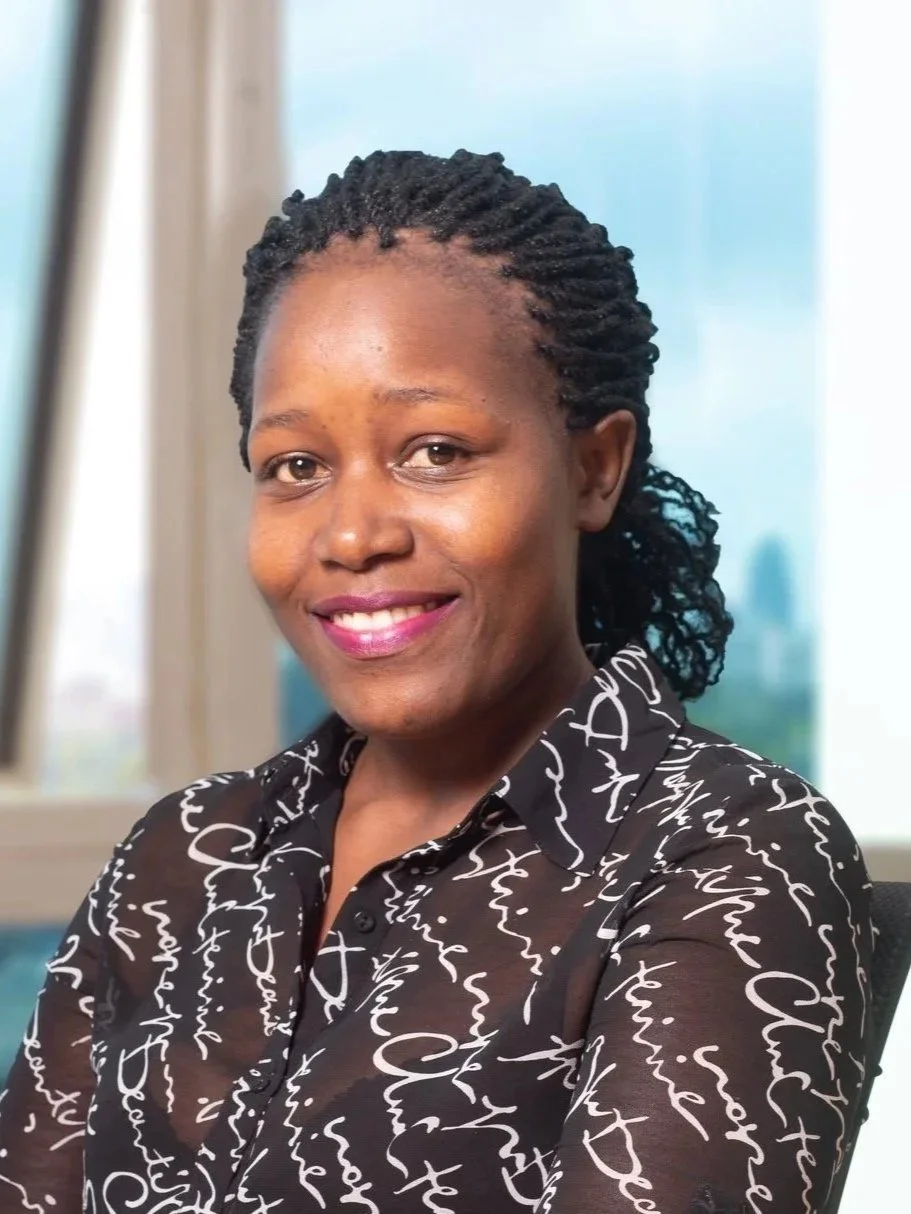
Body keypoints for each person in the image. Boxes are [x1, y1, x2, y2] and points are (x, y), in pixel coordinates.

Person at [0, 150, 872, 1214]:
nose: (352, 532)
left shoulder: (727, 849)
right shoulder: (183, 854)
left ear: (593, 468)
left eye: (434, 449)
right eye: (295, 467)